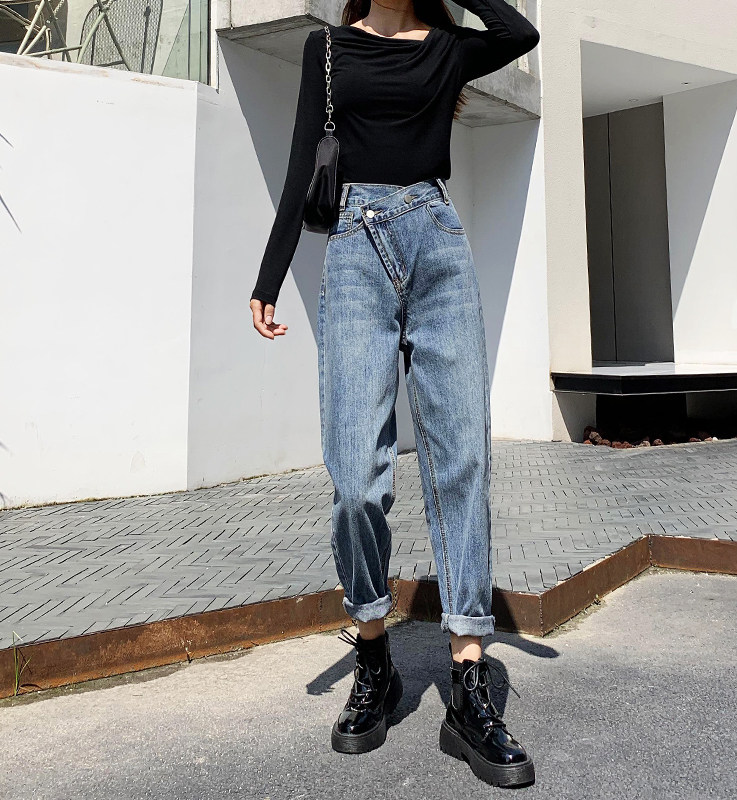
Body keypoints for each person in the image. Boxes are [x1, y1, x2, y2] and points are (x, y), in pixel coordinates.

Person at [249, 0, 540, 788]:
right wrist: (270, 274)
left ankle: (469, 679)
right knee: (355, 476)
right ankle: (373, 654)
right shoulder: (327, 50)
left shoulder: (446, 48)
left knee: (462, 460)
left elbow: (519, 32)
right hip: (354, 251)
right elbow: (302, 159)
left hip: (438, 242)